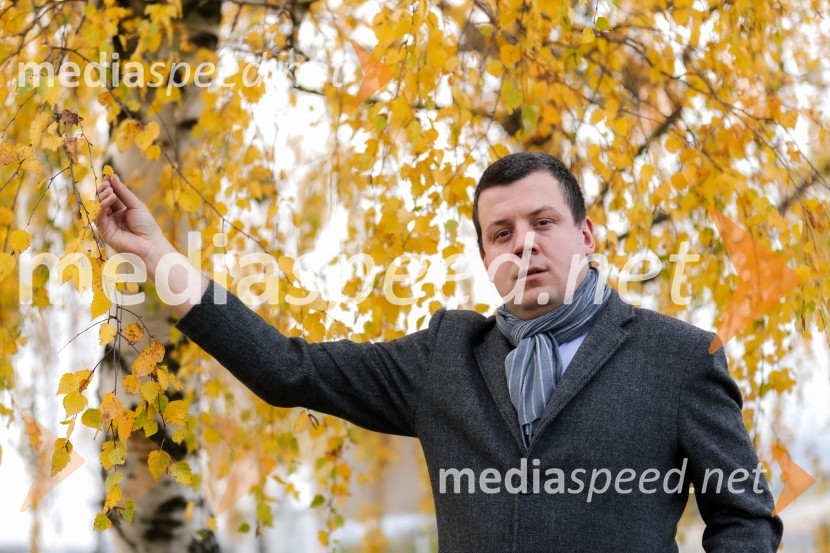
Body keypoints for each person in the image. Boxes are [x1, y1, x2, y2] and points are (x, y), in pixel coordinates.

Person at [96, 152, 783, 551]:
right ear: (486, 256)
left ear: (587, 235)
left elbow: (745, 515)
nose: (525, 244)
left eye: (544, 222)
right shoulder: (445, 357)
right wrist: (160, 260)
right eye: (501, 232)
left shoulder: (680, 358)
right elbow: (288, 368)